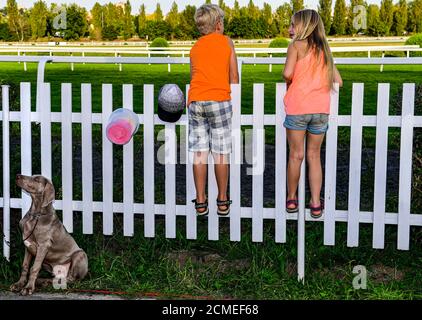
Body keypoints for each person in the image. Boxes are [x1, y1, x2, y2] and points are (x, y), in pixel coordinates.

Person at [282, 9, 343, 218]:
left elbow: (288, 73)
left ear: (304, 26)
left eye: (292, 25)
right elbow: (338, 81)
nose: (290, 29)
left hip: (298, 109)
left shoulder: (295, 46)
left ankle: (291, 198)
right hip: (320, 111)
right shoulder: (324, 49)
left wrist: (291, 80)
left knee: (296, 155)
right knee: (314, 156)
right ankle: (316, 203)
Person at [188, 4, 239, 216]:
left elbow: (193, 77)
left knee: (199, 153)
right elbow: (234, 77)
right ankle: (222, 200)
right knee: (220, 153)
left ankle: (200, 200)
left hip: (196, 101)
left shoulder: (195, 47)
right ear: (219, 24)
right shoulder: (226, 42)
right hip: (218, 100)